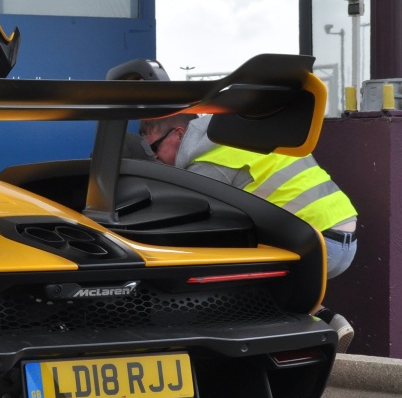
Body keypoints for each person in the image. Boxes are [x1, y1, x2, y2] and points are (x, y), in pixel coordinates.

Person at [139, 112, 358, 352]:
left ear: (178, 135)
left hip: (315, 247)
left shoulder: (208, 163)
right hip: (343, 237)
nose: (155, 156)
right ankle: (327, 320)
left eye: (155, 148)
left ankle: (271, 349)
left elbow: (193, 231)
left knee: (228, 274)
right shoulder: (243, 135)